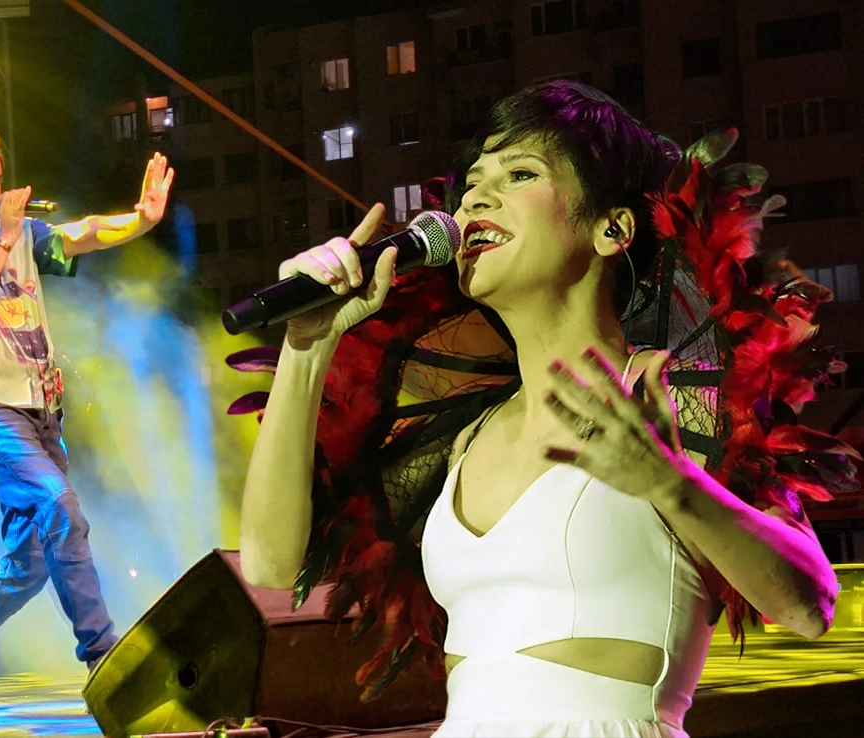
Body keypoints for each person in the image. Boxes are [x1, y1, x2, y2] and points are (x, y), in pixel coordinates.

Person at [236, 81, 849, 737]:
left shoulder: (672, 392)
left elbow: (809, 605)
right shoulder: (466, 436)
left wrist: (669, 483)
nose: (474, 199)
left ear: (611, 229)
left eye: (519, 173)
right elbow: (271, 564)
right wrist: (308, 346)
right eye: (472, 184)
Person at [0, 128, 174, 711]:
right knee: (60, 507)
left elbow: (83, 232)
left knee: (30, 562)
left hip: (40, 411)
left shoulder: (13, 235)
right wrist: (4, 242)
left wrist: (141, 220)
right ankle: (105, 661)